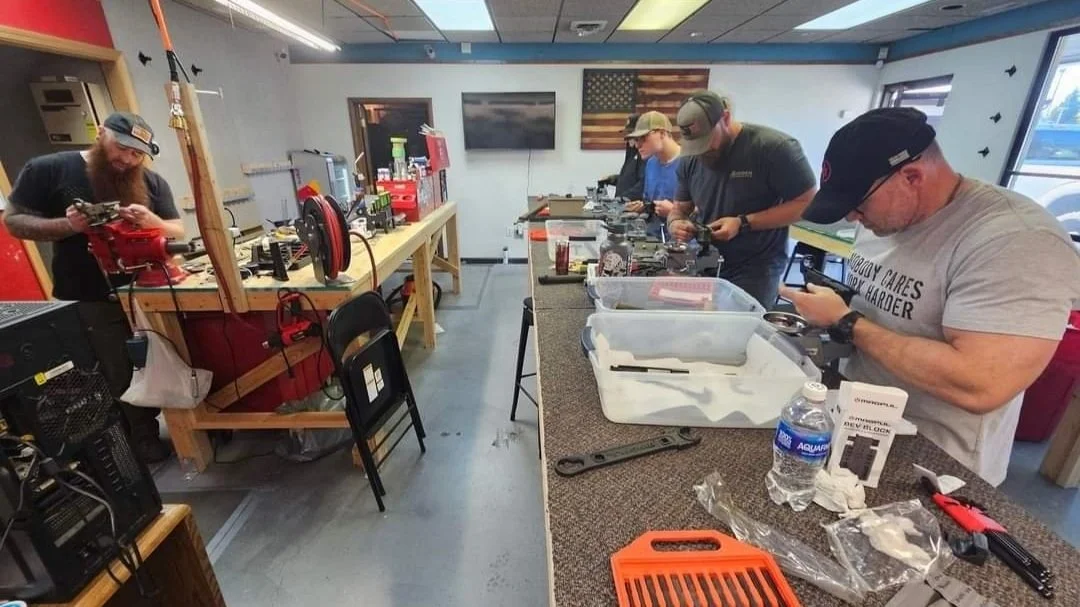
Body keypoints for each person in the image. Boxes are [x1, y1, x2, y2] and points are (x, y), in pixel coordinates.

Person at [782, 107, 1080, 486]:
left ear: (912, 176)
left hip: (938, 464)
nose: (853, 217)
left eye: (859, 203)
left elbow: (980, 383)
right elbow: (886, 310)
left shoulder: (1018, 242)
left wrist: (846, 321)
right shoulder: (884, 218)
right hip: (858, 423)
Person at [4, 112, 183, 463]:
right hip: (88, 296)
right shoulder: (50, 170)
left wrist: (151, 220)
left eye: (136, 154)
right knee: (116, 370)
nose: (127, 159)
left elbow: (176, 229)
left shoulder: (151, 182)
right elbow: (14, 221)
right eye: (122, 148)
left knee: (169, 357)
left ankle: (189, 428)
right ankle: (139, 438)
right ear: (101, 133)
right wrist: (68, 225)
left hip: (149, 292)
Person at [668, 91, 817, 306]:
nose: (701, 151)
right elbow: (680, 208)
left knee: (743, 325)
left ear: (725, 118)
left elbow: (807, 204)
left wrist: (744, 223)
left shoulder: (773, 148)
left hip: (755, 268)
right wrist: (675, 223)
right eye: (695, 145)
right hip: (706, 261)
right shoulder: (690, 158)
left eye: (706, 141)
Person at [625, 111, 681, 238]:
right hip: (654, 239)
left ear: (662, 133)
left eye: (643, 138)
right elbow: (650, 200)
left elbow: (704, 214)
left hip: (682, 243)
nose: (638, 145)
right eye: (636, 140)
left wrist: (674, 212)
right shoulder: (651, 164)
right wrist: (643, 206)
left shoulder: (690, 163)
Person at [598, 114, 645, 200]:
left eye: (630, 134)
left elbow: (643, 184)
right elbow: (630, 178)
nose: (627, 137)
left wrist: (622, 198)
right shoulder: (631, 152)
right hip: (623, 204)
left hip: (633, 204)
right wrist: (613, 179)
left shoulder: (644, 154)